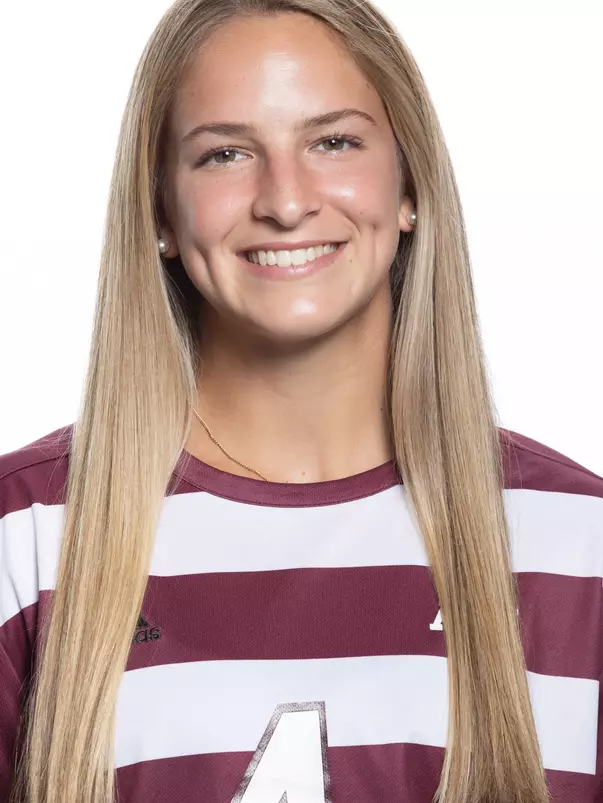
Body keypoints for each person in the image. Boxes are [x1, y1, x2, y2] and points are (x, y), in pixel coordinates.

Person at [0, 0, 601, 801]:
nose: (285, 200)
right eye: (223, 154)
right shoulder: (26, 536)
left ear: (410, 185)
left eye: (333, 142)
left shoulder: (579, 546)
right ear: (160, 212)